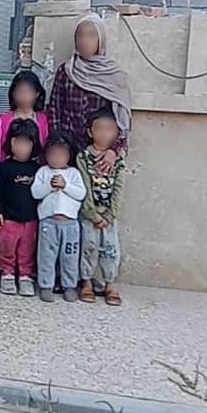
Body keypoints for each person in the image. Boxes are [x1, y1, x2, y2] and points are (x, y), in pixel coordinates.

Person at [47, 13, 131, 174]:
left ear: (101, 39)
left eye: (91, 35)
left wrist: (113, 150)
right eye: (80, 35)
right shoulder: (66, 71)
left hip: (100, 155)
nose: (84, 40)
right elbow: (54, 111)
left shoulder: (114, 76)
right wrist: (58, 146)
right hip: (67, 153)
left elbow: (121, 121)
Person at [77, 109, 125, 306]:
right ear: (90, 132)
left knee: (111, 249)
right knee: (88, 246)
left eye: (109, 129)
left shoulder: (118, 160)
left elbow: (119, 189)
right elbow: (84, 186)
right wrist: (91, 213)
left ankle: (110, 283)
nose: (104, 133)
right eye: (100, 129)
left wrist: (110, 214)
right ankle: (86, 281)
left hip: (109, 216)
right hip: (90, 214)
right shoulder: (83, 157)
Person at [31, 130, 86, 303]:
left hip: (70, 224)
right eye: (53, 154)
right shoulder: (43, 172)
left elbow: (81, 193)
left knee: (69, 255)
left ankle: (69, 285)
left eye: (61, 154)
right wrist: (50, 186)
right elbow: (35, 193)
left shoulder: (73, 174)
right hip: (49, 222)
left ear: (69, 155)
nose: (56, 158)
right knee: (46, 255)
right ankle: (46, 285)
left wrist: (65, 185)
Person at [0, 118, 40, 297]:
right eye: (17, 142)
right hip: (9, 219)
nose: (22, 147)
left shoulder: (37, 169)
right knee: (7, 248)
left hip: (30, 219)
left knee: (27, 248)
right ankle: (7, 273)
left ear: (33, 145)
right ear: (10, 142)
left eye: (26, 143)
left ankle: (25, 275)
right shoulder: (3, 168)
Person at [0, 70, 49, 163]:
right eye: (20, 92)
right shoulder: (1, 122)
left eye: (28, 92)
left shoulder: (45, 122)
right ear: (12, 94)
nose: (24, 97)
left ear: (37, 94)